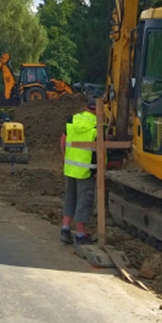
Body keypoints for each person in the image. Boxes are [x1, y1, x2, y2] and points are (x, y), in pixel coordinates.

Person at [59, 97, 98, 245]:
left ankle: (65, 229)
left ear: (86, 107)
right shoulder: (98, 124)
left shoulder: (72, 119)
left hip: (70, 168)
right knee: (84, 200)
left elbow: (63, 140)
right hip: (86, 171)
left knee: (70, 197)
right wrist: (99, 169)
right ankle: (81, 235)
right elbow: (99, 150)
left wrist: (65, 158)